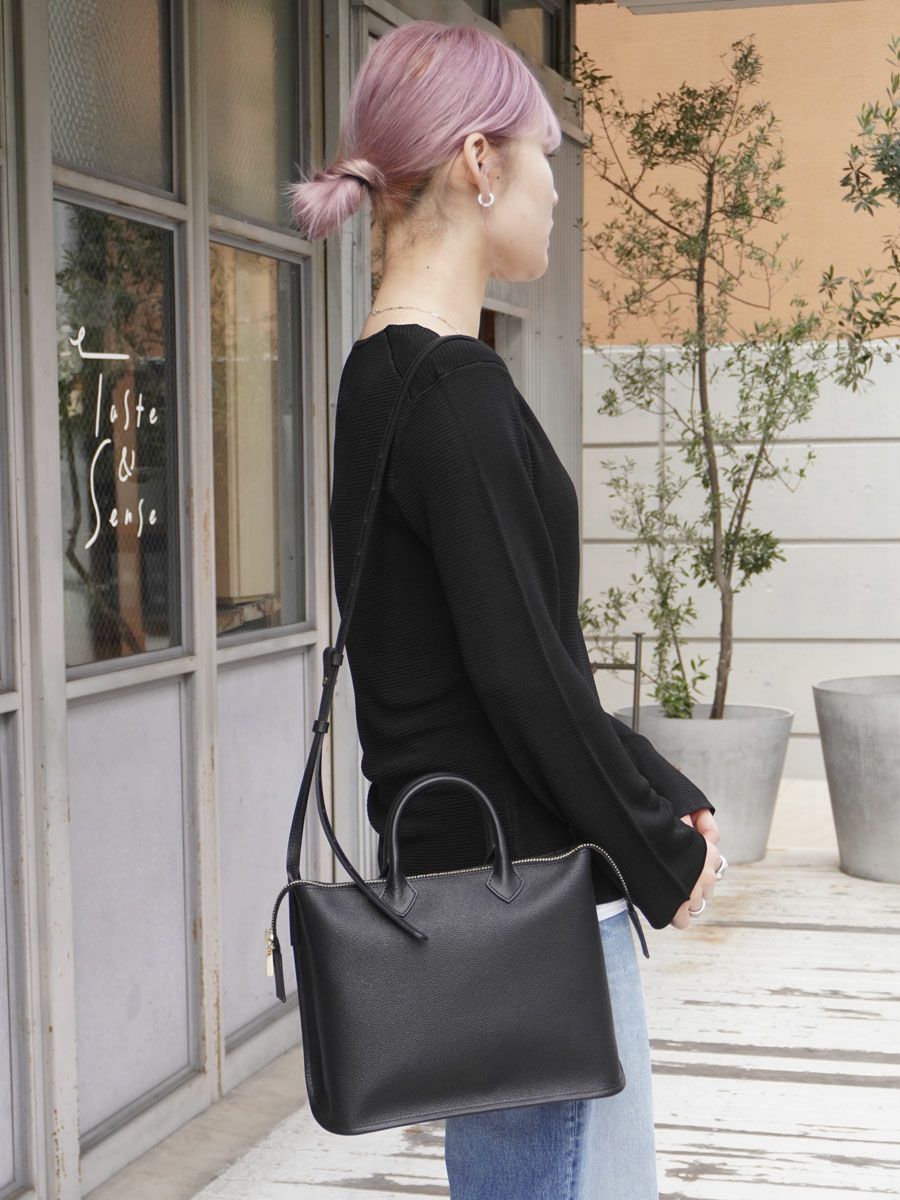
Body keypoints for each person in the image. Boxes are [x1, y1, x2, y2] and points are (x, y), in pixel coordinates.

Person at [287, 19, 726, 1200]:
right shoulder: (451, 386)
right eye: (545, 155)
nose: (555, 188)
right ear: (480, 162)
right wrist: (657, 848)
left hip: (476, 896)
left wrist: (657, 784)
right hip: (531, 906)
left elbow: (511, 654)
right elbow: (525, 678)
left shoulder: (380, 376)